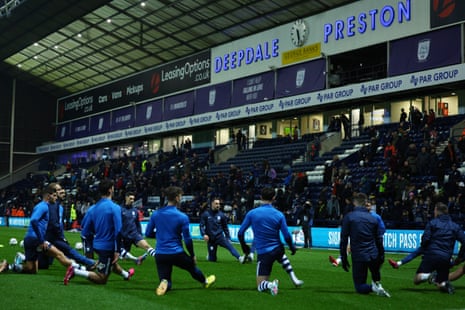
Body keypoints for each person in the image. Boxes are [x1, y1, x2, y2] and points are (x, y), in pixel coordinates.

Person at [145, 186, 216, 296]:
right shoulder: (182, 217)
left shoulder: (156, 214)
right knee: (192, 268)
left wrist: (161, 236)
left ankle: (164, 282)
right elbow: (187, 239)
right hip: (176, 253)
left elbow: (148, 233)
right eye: (180, 196)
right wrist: (192, 255)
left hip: (161, 254)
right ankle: (205, 281)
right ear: (177, 198)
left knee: (166, 279)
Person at [63, 179, 135, 285]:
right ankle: (76, 271)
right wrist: (117, 250)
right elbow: (118, 230)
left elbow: (85, 228)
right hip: (108, 247)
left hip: (96, 245)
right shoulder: (115, 208)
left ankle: (126, 274)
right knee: (102, 278)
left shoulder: (93, 208)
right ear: (111, 190)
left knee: (109, 264)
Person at [237, 187, 303, 296]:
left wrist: (244, 247)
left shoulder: (252, 213)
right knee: (282, 256)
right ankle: (294, 278)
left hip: (264, 252)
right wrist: (292, 247)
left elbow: (240, 233)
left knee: (260, 285)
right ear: (274, 198)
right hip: (277, 249)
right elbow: (286, 236)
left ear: (260, 197)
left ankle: (271, 285)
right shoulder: (279, 215)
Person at [6, 184, 80, 274]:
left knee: (32, 269)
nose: (56, 198)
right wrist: (41, 240)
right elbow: (33, 220)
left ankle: (9, 266)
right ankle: (82, 270)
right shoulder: (44, 206)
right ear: (49, 196)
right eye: (55, 196)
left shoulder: (42, 206)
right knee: (59, 255)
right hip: (36, 239)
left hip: (29, 239)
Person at [340, 192, 390, 297]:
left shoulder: (350, 217)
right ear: (365, 203)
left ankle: (374, 288)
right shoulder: (373, 218)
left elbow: (344, 239)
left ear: (354, 203)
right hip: (373, 254)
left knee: (359, 286)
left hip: (359, 256)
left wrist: (344, 258)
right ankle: (377, 285)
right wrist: (381, 255)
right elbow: (379, 239)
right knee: (375, 276)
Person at [36, 182, 96, 270]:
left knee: (44, 264)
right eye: (59, 190)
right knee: (66, 251)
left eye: (62, 189)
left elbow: (58, 224)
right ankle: (88, 263)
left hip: (53, 236)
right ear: (53, 193)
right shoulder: (50, 205)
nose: (63, 191)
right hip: (49, 237)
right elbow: (52, 224)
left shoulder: (59, 207)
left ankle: (86, 264)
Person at [412, 202, 465, 294]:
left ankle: (428, 276)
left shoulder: (432, 223)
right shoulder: (455, 226)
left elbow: (425, 240)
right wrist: (460, 256)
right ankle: (444, 284)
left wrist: (425, 250)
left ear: (436, 211)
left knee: (416, 280)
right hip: (446, 257)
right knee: (441, 282)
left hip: (431, 255)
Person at [200, 198, 245, 262]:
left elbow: (225, 227)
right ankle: (210, 255)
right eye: (216, 204)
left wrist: (228, 237)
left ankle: (240, 258)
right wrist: (204, 234)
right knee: (212, 260)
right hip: (211, 239)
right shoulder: (206, 214)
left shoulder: (221, 215)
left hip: (220, 237)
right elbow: (201, 225)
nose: (218, 205)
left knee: (230, 247)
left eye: (219, 204)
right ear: (212, 204)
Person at [119, 191, 155, 265]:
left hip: (134, 234)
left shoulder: (135, 211)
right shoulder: (119, 209)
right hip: (124, 236)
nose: (132, 200)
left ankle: (160, 258)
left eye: (133, 199)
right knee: (123, 256)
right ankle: (136, 259)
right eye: (130, 198)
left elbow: (137, 224)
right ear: (126, 198)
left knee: (146, 246)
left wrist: (140, 234)